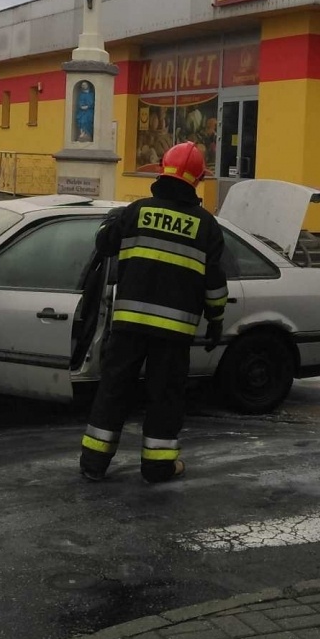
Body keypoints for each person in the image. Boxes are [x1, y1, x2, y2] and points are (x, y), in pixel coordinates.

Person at [78, 141, 227, 483]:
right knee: (166, 396)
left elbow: (103, 245)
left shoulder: (136, 212)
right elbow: (215, 286)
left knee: (113, 390)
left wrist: (110, 222)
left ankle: (93, 463)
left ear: (162, 170)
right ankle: (158, 466)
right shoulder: (206, 226)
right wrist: (216, 320)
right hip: (173, 335)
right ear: (198, 179)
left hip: (128, 326)